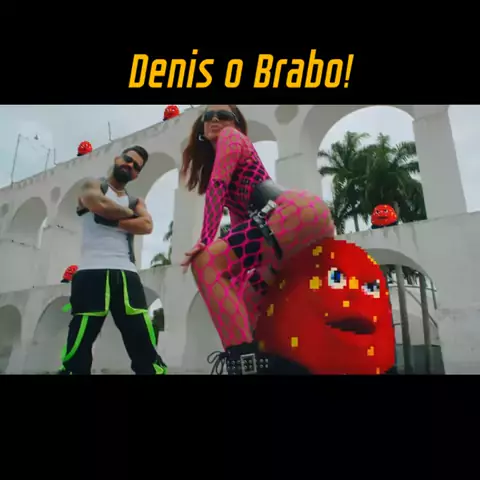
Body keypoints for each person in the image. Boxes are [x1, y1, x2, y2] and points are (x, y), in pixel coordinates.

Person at [180, 105, 335, 375]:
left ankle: (244, 364)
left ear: (236, 124)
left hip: (291, 213)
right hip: (296, 230)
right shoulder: (233, 168)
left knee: (205, 261)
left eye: (224, 116)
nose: (215, 119)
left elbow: (217, 185)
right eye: (208, 116)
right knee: (251, 302)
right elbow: (241, 232)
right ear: (201, 128)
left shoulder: (232, 137)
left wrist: (205, 240)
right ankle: (284, 364)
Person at [57, 145, 167, 375]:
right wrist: (130, 215)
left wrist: (113, 220)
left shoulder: (136, 200)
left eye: (136, 166)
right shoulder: (93, 184)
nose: (130, 165)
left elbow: (147, 225)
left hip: (126, 272)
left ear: (136, 175)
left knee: (141, 337)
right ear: (118, 159)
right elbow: (97, 203)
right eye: (128, 159)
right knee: (81, 337)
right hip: (91, 271)